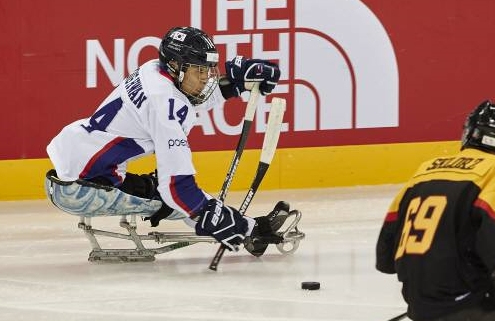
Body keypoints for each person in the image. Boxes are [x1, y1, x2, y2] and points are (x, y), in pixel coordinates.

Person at [44, 26, 286, 256]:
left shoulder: (154, 70)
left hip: (75, 172)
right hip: (81, 189)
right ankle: (253, 231)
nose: (205, 78)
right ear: (175, 65)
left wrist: (236, 84)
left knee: (170, 192)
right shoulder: (164, 105)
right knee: (174, 197)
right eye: (198, 70)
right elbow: (177, 188)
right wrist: (221, 219)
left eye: (207, 70)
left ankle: (248, 227)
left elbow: (189, 97)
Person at [376, 100, 495, 321]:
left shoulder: (425, 170)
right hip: (470, 304)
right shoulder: (492, 171)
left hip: (418, 302)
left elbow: (385, 257)